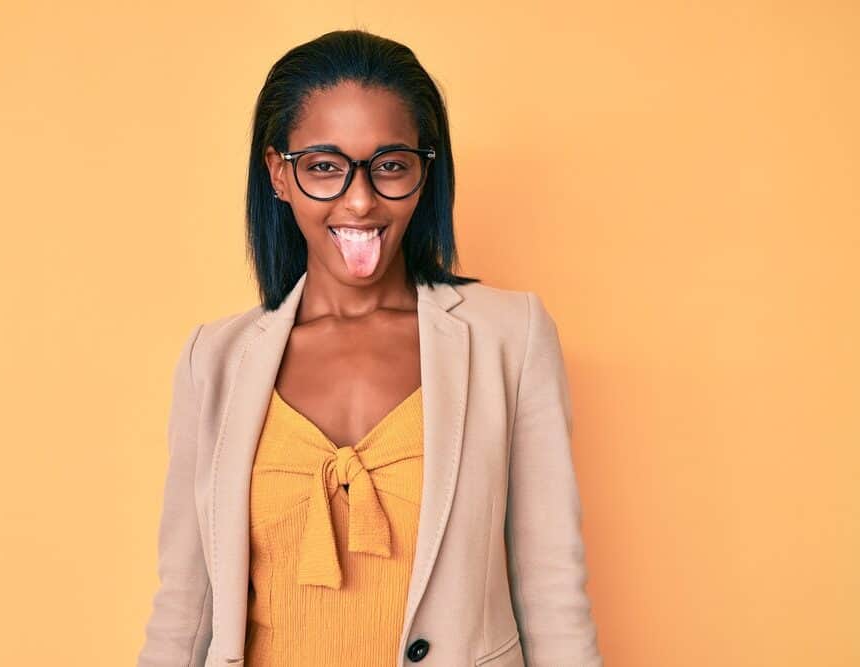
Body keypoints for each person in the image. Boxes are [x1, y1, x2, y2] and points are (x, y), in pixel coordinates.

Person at [137, 29, 603, 667]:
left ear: (423, 171)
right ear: (279, 174)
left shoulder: (509, 337)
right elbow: (183, 611)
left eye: (390, 165)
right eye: (324, 166)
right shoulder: (213, 360)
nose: (360, 200)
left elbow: (553, 594)